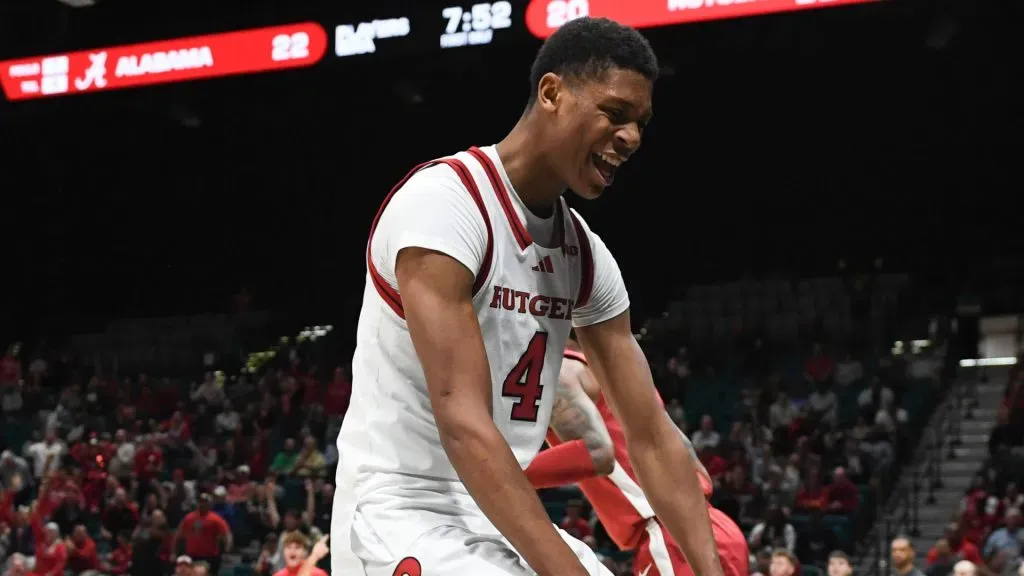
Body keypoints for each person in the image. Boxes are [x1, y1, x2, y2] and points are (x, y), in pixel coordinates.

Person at [331, 15, 721, 576]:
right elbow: (463, 423)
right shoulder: (445, 206)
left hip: (494, 515)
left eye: (641, 122)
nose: (632, 137)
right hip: (398, 508)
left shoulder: (584, 254)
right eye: (615, 113)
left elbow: (653, 437)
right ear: (552, 92)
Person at [524, 342, 749, 576]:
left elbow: (596, 452)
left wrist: (501, 476)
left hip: (670, 534)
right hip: (712, 526)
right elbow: (686, 450)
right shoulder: (621, 365)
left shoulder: (557, 369)